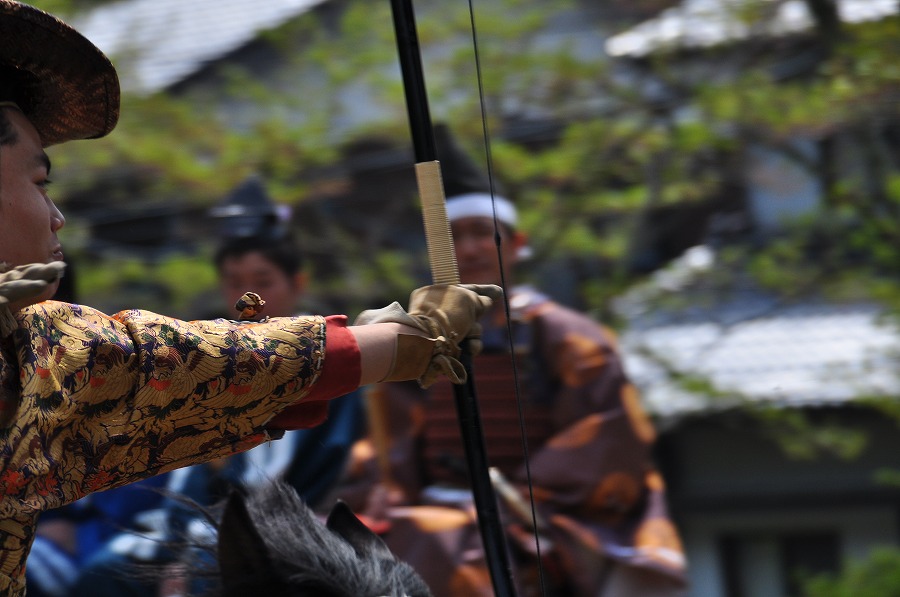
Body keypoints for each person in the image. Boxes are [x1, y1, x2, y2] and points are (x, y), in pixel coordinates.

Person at [0, 3, 499, 595]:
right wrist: (410, 340)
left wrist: (396, 344)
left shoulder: (31, 353)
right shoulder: (49, 356)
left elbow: (189, 371)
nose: (56, 217)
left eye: (260, 275)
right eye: (39, 184)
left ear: (296, 279)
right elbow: (150, 366)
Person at [332, 125, 689, 596]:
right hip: (430, 505)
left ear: (516, 244)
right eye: (457, 236)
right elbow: (389, 436)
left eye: (486, 233)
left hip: (542, 510)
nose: (474, 247)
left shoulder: (568, 337)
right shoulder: (417, 337)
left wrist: (511, 493)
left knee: (441, 544)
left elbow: (606, 435)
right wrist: (384, 487)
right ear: (439, 252)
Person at [66, 181, 367, 597]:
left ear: (297, 282)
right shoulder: (218, 355)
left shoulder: (325, 356)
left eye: (264, 280)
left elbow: (305, 470)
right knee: (103, 575)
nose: (250, 296)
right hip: (201, 518)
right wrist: (181, 530)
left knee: (212, 570)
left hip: (285, 517)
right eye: (235, 282)